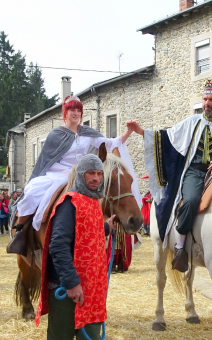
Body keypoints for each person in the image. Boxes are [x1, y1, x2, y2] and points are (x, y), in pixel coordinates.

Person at [126, 81, 212, 272]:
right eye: (205, 99)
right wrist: (140, 132)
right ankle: (180, 249)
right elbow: (166, 136)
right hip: (195, 172)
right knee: (189, 200)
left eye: (211, 100)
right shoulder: (192, 122)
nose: (207, 103)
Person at [35, 155, 117, 340]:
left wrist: (106, 227)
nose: (95, 178)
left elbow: (89, 233)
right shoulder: (69, 203)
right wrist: (71, 283)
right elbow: (59, 245)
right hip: (66, 288)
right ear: (80, 175)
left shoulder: (94, 202)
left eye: (98, 174)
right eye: (90, 174)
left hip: (92, 291)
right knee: (60, 338)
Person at [8, 95, 140, 256]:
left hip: (81, 173)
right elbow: (47, 159)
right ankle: (20, 232)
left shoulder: (87, 133)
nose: (76, 113)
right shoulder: (56, 134)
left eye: (79, 110)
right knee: (31, 192)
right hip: (56, 172)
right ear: (65, 113)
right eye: (72, 110)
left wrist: (129, 131)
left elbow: (111, 143)